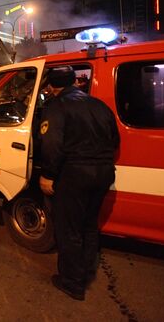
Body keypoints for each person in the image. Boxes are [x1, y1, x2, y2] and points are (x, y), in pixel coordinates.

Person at [38, 66, 120, 301]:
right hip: (104, 173)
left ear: (52, 87)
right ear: (75, 80)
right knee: (89, 225)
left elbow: (51, 144)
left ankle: (72, 283)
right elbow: (114, 140)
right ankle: (87, 270)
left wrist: (48, 175)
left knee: (69, 229)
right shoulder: (98, 105)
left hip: (74, 175)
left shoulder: (56, 106)